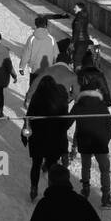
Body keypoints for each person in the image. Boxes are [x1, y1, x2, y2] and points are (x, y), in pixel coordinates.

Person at [67, 73, 111, 208]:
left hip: (84, 140)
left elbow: (68, 121)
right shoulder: (101, 105)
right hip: (100, 142)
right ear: (96, 91)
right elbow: (109, 124)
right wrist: (105, 140)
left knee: (86, 166)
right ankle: (106, 197)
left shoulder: (79, 104)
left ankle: (85, 190)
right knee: (105, 170)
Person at [23, 73, 72, 201]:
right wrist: (64, 147)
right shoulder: (60, 99)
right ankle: (53, 191)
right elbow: (64, 122)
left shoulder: (37, 97)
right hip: (54, 139)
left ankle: (34, 187)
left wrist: (24, 133)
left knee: (36, 164)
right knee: (52, 167)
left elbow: (28, 117)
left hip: (38, 139)